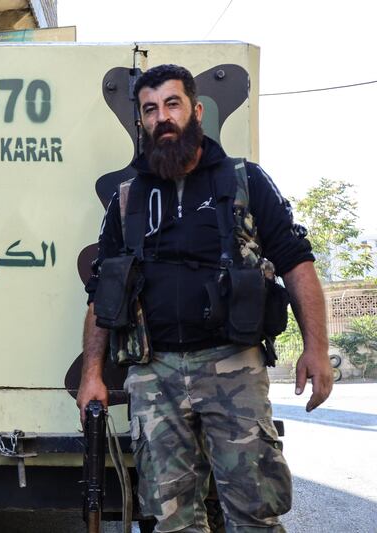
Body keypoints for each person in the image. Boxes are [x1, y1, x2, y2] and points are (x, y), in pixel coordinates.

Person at [76, 64, 332, 532]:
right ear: (142, 122)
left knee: (255, 511)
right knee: (170, 518)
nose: (162, 118)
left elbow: (297, 263)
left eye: (172, 104)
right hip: (155, 373)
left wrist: (317, 350)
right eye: (150, 110)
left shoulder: (244, 181)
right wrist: (92, 373)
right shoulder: (127, 197)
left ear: (195, 111)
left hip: (233, 365)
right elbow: (102, 290)